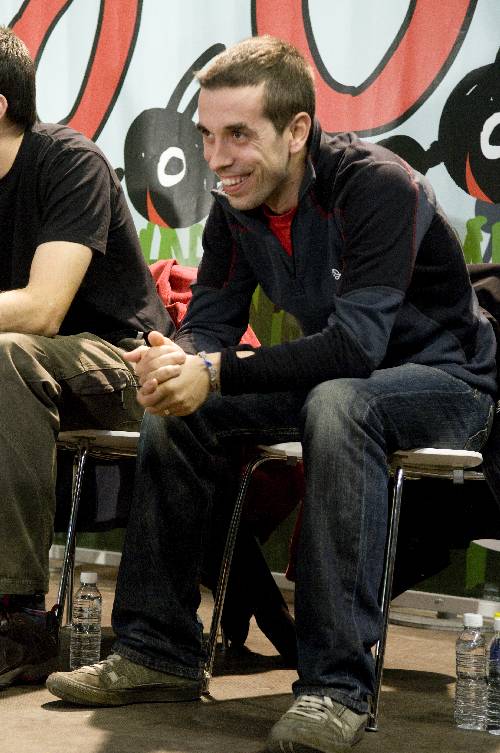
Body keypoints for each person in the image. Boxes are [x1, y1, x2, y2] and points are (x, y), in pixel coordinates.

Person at [46, 36, 497, 753]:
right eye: (206, 136)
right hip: (340, 382)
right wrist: (177, 361)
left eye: (237, 135)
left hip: (449, 382)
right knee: (183, 408)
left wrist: (216, 370)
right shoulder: (239, 204)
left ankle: (335, 687)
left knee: (339, 402)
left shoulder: (378, 186)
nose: (217, 158)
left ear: (296, 130)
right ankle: (157, 651)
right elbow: (211, 321)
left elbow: (357, 347)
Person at [0, 27, 172, 689]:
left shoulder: (69, 161)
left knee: (8, 354)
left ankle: (17, 615)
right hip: (32, 375)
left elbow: (43, 310)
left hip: (124, 364)